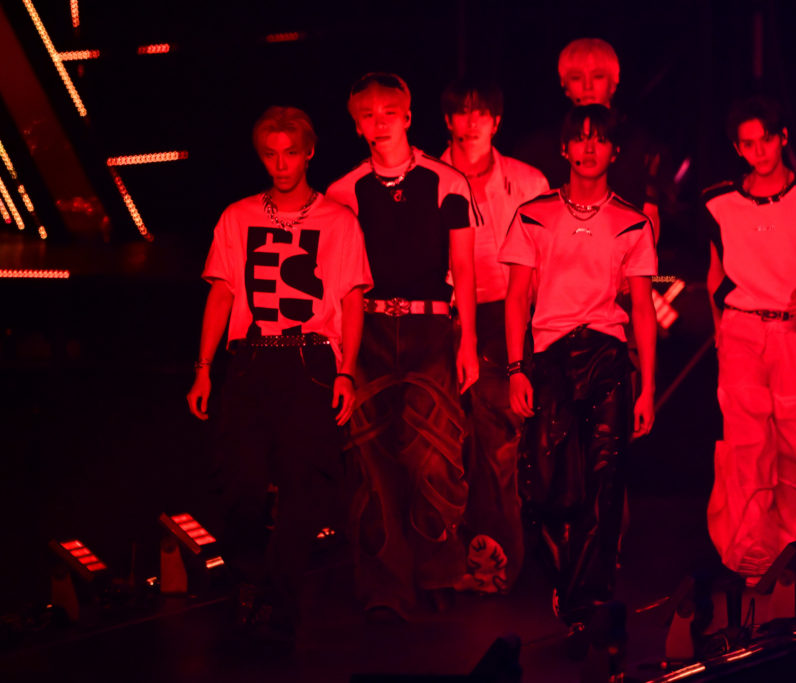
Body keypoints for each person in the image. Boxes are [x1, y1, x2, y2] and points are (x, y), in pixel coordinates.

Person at [185, 106, 372, 641]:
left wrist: (346, 372)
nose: (281, 164)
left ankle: (279, 603)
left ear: (309, 152)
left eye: (290, 153)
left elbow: (351, 299)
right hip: (250, 359)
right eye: (271, 154)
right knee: (240, 485)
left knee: (303, 489)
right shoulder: (238, 216)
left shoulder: (338, 221)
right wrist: (204, 368)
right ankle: (251, 583)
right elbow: (222, 292)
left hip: (311, 361)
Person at [326, 72, 479, 620]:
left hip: (429, 328)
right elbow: (340, 277)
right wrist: (342, 354)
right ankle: (385, 587)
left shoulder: (447, 182)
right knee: (371, 458)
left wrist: (468, 342)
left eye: (388, 112)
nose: (379, 123)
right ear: (356, 125)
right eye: (367, 115)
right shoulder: (344, 192)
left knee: (431, 452)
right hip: (367, 329)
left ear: (408, 116)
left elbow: (464, 267)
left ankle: (439, 571)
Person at [500, 104, 657, 630]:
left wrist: (648, 387)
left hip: (608, 355)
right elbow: (517, 296)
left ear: (614, 151)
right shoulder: (534, 214)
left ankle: (586, 600)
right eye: (581, 139)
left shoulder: (631, 221)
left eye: (600, 139)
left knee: (605, 482)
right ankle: (568, 585)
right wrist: (516, 368)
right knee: (544, 486)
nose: (589, 148)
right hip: (550, 358)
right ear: (565, 148)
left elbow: (643, 309)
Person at [703, 95, 796, 584]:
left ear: (782, 138)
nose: (758, 151)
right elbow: (715, 272)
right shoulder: (719, 202)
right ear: (737, 149)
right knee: (746, 444)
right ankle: (749, 547)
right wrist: (720, 329)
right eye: (748, 144)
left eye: (765, 139)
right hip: (741, 327)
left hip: (793, 328)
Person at [438, 77, 549, 593]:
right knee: (445, 445)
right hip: (442, 315)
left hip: (506, 315)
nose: (470, 123)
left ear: (496, 121)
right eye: (461, 112)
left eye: (480, 112)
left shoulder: (527, 182)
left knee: (500, 444)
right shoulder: (428, 178)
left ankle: (502, 561)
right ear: (447, 120)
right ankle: (450, 563)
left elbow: (545, 256)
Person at [515, 37, 663, 239]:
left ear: (614, 83)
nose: (587, 86)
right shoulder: (539, 147)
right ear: (564, 84)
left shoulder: (640, 144)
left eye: (598, 76)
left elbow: (650, 222)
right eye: (577, 78)